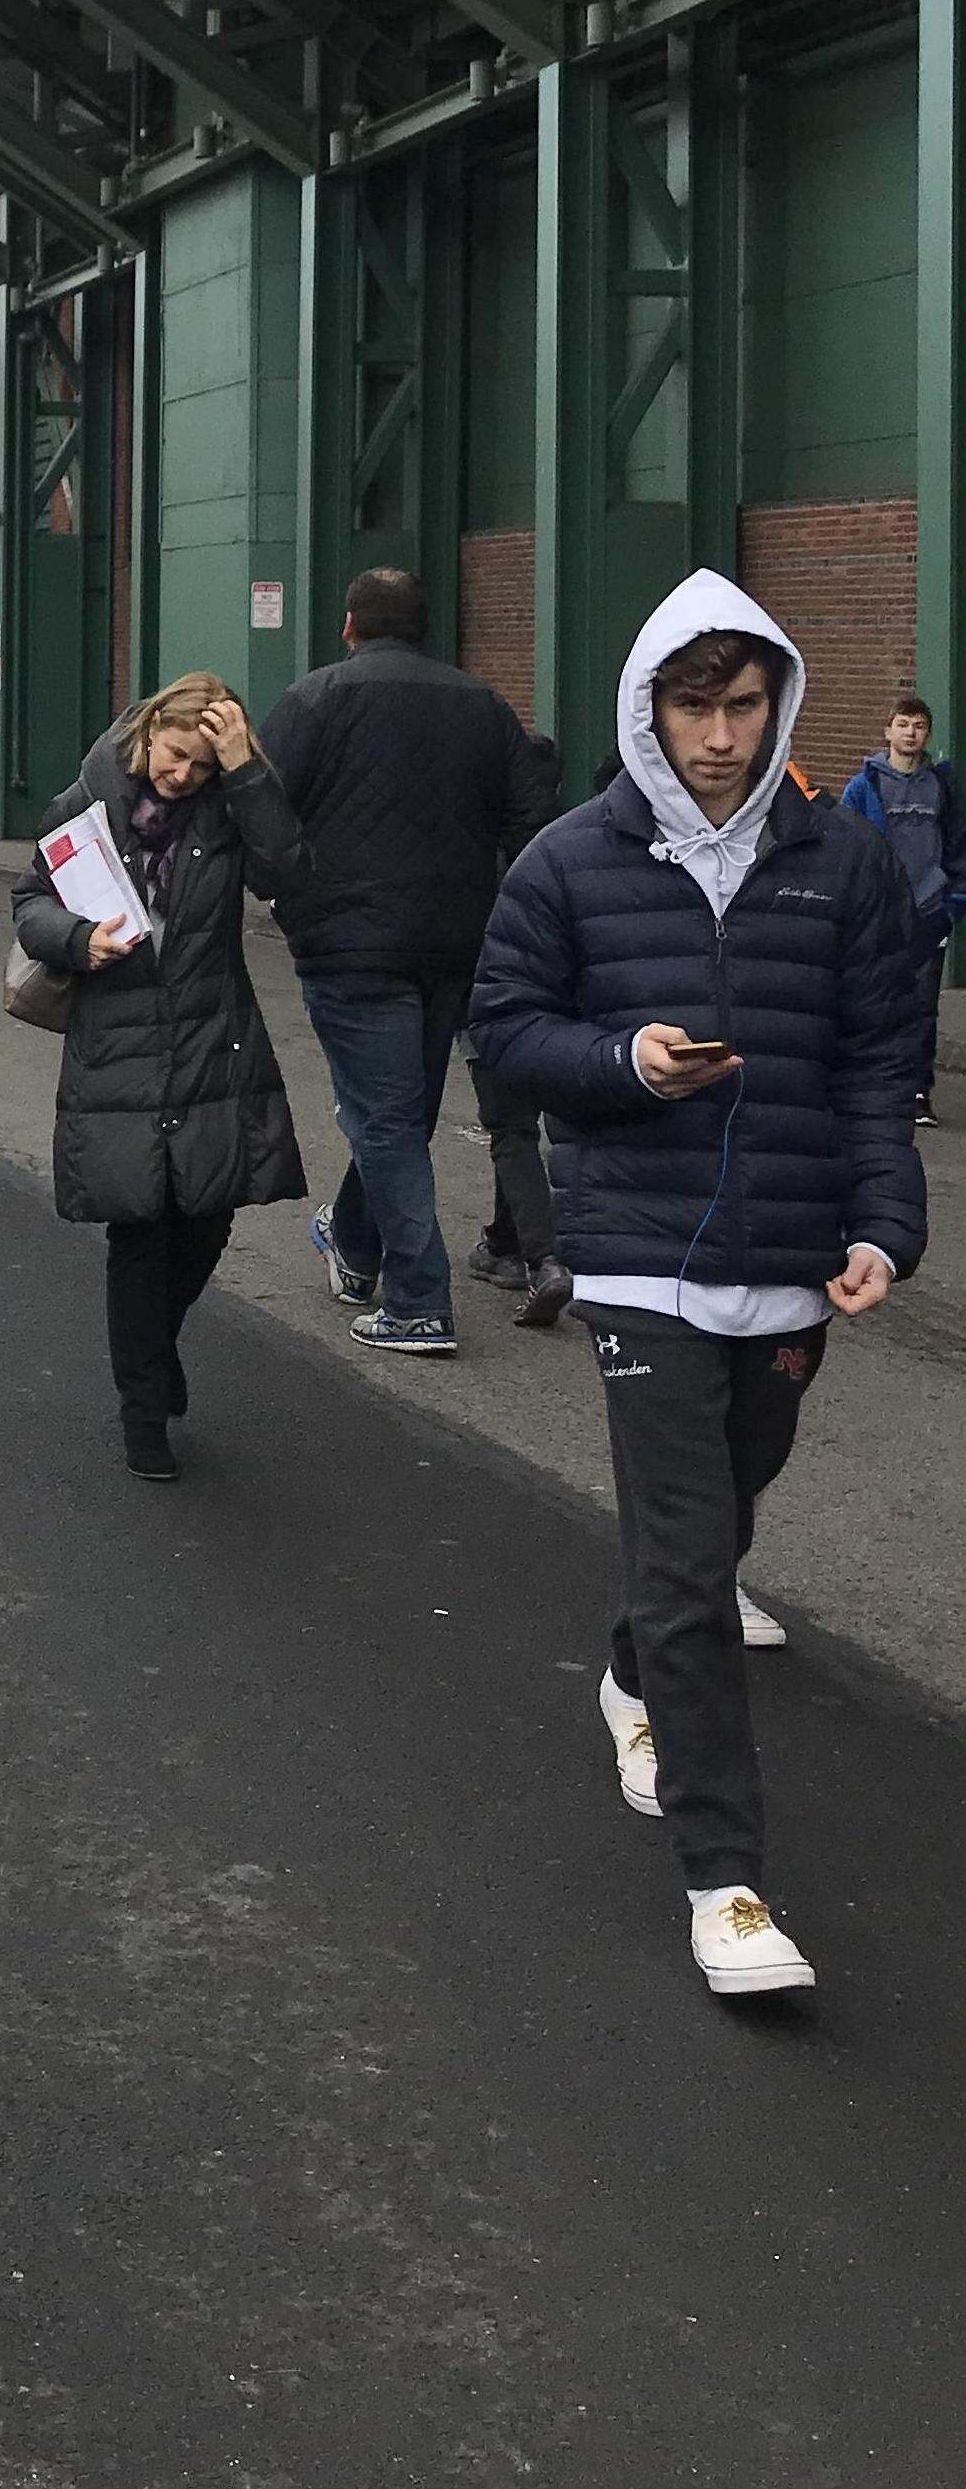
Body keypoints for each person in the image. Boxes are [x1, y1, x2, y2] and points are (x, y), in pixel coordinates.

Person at [470, 573, 924, 1999]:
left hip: (787, 1261)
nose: (718, 735)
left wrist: (881, 1227)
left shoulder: (841, 866)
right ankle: (726, 1881)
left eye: (740, 704)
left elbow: (873, 1066)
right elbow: (501, 1033)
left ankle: (629, 1672)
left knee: (725, 1506)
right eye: (690, 704)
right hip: (633, 1253)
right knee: (684, 1552)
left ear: (775, 700)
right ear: (644, 705)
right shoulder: (564, 861)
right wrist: (621, 1064)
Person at [11, 675, 308, 1481]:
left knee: (207, 1216)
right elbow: (29, 901)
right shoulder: (87, 804)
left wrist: (246, 770)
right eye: (177, 756)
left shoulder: (228, 807)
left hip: (214, 1038)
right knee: (139, 1227)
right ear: (148, 733)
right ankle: (143, 1406)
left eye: (201, 768)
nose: (181, 777)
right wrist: (76, 939)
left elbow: (287, 872)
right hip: (117, 1043)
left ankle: (154, 1346)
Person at [259, 567, 553, 1357]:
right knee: (402, 1112)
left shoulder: (312, 699)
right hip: (454, 943)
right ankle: (353, 1244)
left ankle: (419, 1301)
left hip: (348, 943)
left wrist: (286, 897)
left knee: (385, 1119)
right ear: (427, 627)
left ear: (349, 623)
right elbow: (533, 818)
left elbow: (262, 808)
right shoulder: (483, 707)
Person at [463, 730, 572, 1328]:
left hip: (495, 999)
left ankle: (541, 1256)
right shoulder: (572, 844)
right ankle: (506, 1243)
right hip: (556, 1007)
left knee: (510, 1130)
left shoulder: (488, 844)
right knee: (523, 1128)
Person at [837, 692, 966, 1126]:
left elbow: (957, 850)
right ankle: (873, 1085)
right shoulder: (864, 787)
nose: (911, 733)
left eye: (919, 726)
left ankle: (917, 1092)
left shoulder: (941, 787)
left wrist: (952, 906)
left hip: (929, 914)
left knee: (922, 1008)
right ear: (888, 731)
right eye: (903, 725)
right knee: (875, 1001)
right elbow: (847, 849)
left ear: (927, 734)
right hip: (880, 914)